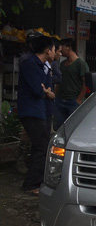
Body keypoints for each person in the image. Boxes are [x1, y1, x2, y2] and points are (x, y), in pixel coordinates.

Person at [17, 35, 56, 194]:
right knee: (42, 147)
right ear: (47, 50)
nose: (55, 53)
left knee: (40, 146)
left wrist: (45, 91)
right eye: (54, 49)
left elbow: (46, 87)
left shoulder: (43, 66)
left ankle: (34, 181)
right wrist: (45, 92)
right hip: (30, 111)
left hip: (40, 111)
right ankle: (32, 184)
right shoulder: (30, 63)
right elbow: (37, 89)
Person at [54, 38, 90, 129]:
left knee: (71, 127)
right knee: (58, 126)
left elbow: (85, 83)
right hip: (60, 100)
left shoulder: (81, 64)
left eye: (63, 47)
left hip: (73, 101)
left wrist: (78, 99)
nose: (61, 50)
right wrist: (54, 94)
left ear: (69, 48)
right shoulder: (62, 64)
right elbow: (59, 81)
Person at [43, 38, 63, 133]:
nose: (59, 54)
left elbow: (59, 78)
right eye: (57, 51)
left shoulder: (54, 64)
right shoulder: (35, 63)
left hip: (48, 102)